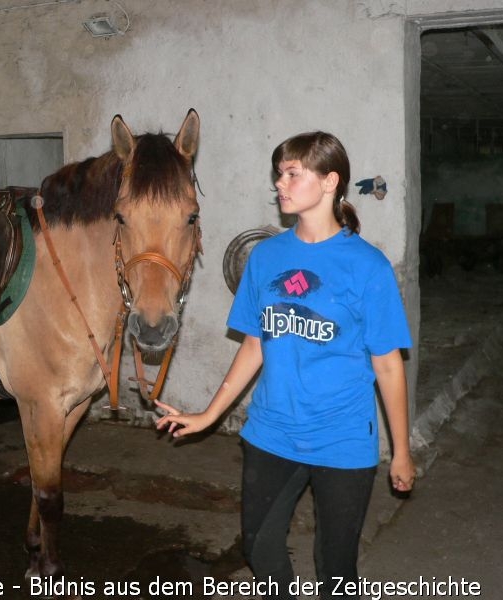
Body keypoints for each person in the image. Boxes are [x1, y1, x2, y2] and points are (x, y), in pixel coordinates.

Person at [155, 131, 416, 599]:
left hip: (342, 439)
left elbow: (390, 367)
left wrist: (401, 450)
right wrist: (209, 415)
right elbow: (255, 344)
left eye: (293, 173)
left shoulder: (367, 267)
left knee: (335, 569)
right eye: (279, 173)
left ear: (330, 181)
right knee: (260, 547)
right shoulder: (268, 257)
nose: (281, 182)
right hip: (271, 433)